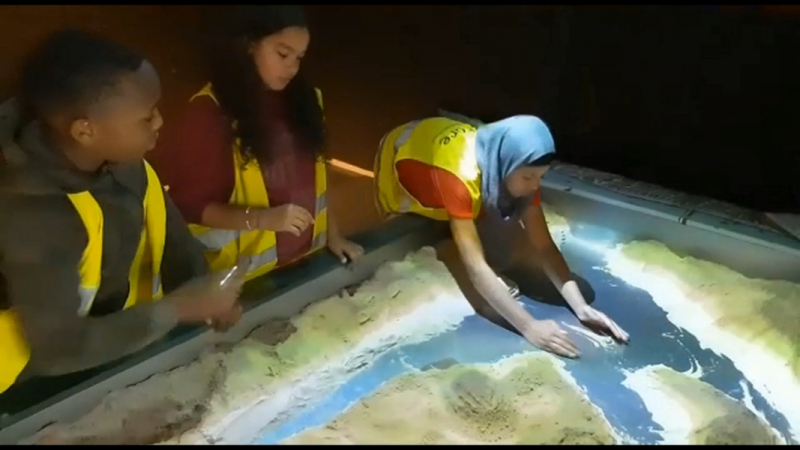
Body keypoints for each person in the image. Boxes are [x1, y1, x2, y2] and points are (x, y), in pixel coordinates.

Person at [0, 30, 244, 395]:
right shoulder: (32, 213)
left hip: (110, 352)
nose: (159, 122)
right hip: (30, 390)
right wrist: (177, 309)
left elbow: (177, 248)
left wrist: (209, 296)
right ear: (85, 131)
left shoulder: (125, 165)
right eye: (146, 117)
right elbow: (55, 350)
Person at [374, 115, 629, 358]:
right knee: (417, 224)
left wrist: (581, 307)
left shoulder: (514, 164)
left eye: (540, 177)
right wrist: (529, 327)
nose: (535, 186)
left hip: (443, 141)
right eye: (528, 177)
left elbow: (543, 245)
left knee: (478, 218)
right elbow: (476, 267)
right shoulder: (459, 177)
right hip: (406, 152)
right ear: (506, 165)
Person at [152, 5, 363, 282]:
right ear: (249, 45)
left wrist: (332, 236)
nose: (292, 67)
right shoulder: (208, 113)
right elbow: (189, 205)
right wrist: (262, 219)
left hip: (306, 262)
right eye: (283, 54)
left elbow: (318, 185)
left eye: (299, 57)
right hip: (244, 280)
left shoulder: (308, 102)